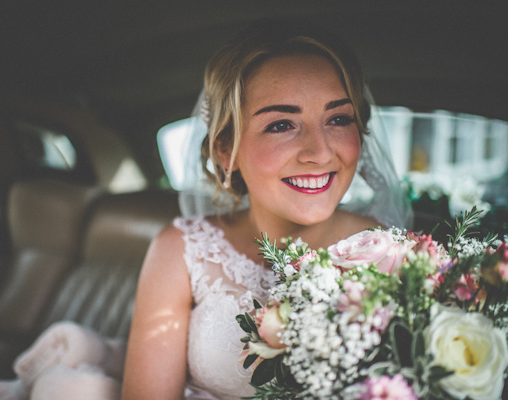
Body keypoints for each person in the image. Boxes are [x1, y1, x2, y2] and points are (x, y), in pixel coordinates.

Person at [122, 19, 411, 400]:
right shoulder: (181, 249)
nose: (320, 152)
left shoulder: (399, 260)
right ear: (227, 150)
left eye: (338, 119)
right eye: (281, 125)